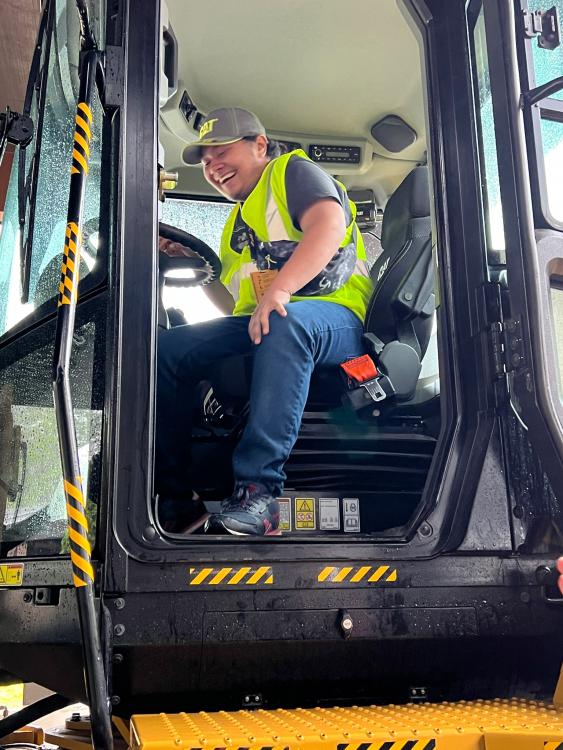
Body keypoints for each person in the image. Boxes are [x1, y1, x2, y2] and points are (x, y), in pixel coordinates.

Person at [156, 107, 373, 535]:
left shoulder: (292, 172)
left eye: (221, 152)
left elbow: (327, 226)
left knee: (283, 319)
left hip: (337, 320)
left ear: (259, 144)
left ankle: (260, 492)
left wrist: (279, 291)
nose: (212, 167)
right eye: (205, 161)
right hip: (282, 318)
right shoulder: (237, 220)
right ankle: (177, 496)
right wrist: (192, 267)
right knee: (168, 350)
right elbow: (239, 307)